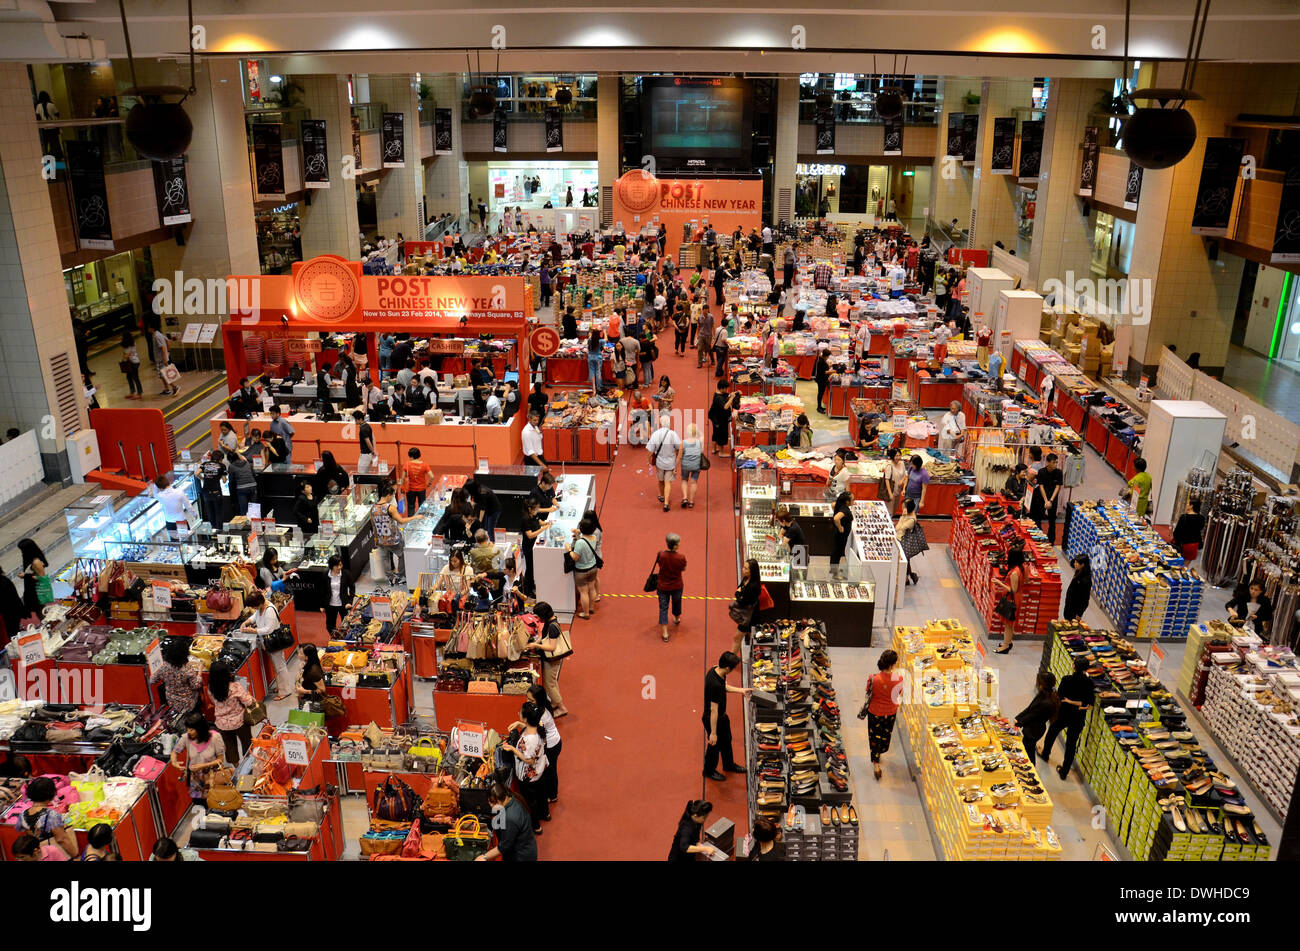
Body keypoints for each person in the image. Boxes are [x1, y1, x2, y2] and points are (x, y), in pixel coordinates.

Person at [1040, 656, 1095, 780]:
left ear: (1074, 666)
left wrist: (1068, 701)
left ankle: (1045, 754)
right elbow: (1089, 704)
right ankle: (1064, 771)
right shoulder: (1089, 683)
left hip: (1063, 713)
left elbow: (1060, 697)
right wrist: (1078, 704)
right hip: (1078, 717)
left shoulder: (1066, 679)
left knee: (1052, 732)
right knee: (1071, 744)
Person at [501, 701, 550, 834]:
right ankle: (545, 814)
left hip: (529, 775)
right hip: (540, 770)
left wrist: (512, 749)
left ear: (527, 718)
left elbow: (529, 760)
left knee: (530, 802)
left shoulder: (529, 740)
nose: (518, 713)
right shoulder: (539, 728)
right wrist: (519, 724)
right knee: (541, 793)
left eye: (520, 713)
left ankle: (536, 826)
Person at [703, 652, 751, 780]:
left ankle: (728, 764)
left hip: (721, 717)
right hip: (713, 718)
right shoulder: (715, 685)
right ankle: (708, 770)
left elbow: (724, 686)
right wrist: (713, 733)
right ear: (728, 668)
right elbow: (714, 710)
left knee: (726, 740)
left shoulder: (715, 669)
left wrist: (741, 690)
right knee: (714, 745)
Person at [857, 649, 904, 780]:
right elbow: (897, 696)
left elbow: (868, 692)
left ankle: (876, 764)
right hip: (890, 713)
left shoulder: (873, 678)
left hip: (875, 712)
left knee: (874, 737)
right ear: (892, 665)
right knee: (885, 735)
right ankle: (881, 751)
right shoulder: (898, 679)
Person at [239, 590, 292, 700]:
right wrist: (246, 622)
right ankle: (280, 687)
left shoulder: (269, 611)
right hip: (268, 642)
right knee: (276, 666)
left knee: (280, 666)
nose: (253, 608)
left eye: (254, 606)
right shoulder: (261, 607)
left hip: (274, 642)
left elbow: (268, 629)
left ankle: (285, 691)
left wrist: (252, 631)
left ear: (258, 603)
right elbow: (255, 616)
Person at [169, 712, 226, 808]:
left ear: (200, 728)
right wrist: (174, 762)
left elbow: (220, 759)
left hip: (213, 779)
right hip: (196, 782)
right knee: (201, 806)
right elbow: (174, 752)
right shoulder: (186, 738)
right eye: (187, 729)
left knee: (216, 805)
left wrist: (202, 766)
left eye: (191, 729)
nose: (189, 732)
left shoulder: (215, 737)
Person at [15, 777, 78, 859]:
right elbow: (62, 839)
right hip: (53, 855)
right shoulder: (51, 815)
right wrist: (75, 854)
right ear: (51, 794)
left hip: (36, 855)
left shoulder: (23, 814)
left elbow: (24, 832)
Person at [208, 660, 256, 764]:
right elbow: (248, 701)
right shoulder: (234, 686)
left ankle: (236, 767)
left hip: (222, 724)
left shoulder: (211, 689)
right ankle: (248, 764)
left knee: (230, 747)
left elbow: (213, 701)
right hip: (239, 721)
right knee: (247, 743)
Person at [476, 782, 538, 861]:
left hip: (521, 856)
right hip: (525, 847)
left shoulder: (510, 818)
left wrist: (484, 857)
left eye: (492, 802)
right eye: (489, 801)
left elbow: (503, 847)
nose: (490, 805)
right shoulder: (512, 797)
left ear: (499, 800)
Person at [372, 480, 413, 587]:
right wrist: (415, 517)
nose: (392, 498)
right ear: (389, 495)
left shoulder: (373, 508)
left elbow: (374, 526)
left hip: (381, 539)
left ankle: (390, 578)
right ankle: (400, 577)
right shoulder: (390, 507)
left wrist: (376, 540)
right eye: (393, 495)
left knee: (385, 558)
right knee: (402, 555)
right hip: (393, 539)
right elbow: (401, 521)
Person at [1015, 672, 1060, 765]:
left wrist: (1019, 723)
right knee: (1027, 748)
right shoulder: (1043, 694)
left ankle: (1031, 769)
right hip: (1033, 727)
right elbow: (1030, 708)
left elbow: (1032, 715)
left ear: (1042, 684)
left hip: (1034, 730)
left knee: (1029, 751)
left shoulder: (1046, 702)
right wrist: (1018, 718)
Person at [152, 636, 202, 715]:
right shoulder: (187, 669)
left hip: (172, 702)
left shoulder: (163, 666)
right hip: (188, 703)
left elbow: (152, 680)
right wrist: (199, 671)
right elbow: (195, 685)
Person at [653, 533, 687, 643]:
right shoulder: (681, 557)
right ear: (676, 546)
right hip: (677, 585)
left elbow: (659, 564)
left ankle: (665, 633)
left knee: (663, 607)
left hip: (663, 585)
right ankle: (677, 618)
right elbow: (684, 568)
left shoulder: (661, 555)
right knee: (677, 602)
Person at [991, 548, 1024, 654]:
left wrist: (999, 583)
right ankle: (1008, 642)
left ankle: (1005, 646)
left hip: (1012, 600)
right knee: (1009, 624)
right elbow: (1025, 581)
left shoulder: (1015, 572)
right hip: (1017, 598)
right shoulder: (1023, 568)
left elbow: (1013, 590)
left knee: (1008, 625)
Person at [646, 413, 682, 512]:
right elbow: (679, 449)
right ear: (669, 424)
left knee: (661, 481)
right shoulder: (673, 434)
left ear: (661, 424)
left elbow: (649, 451)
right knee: (668, 482)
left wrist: (649, 462)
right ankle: (666, 502)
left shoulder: (655, 434)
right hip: (671, 463)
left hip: (659, 463)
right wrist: (677, 462)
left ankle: (661, 495)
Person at [567, 514, 601, 619]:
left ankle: (585, 613)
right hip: (593, 568)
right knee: (592, 588)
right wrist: (578, 537)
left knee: (584, 592)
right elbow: (585, 544)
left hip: (581, 571)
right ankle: (591, 608)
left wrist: (569, 549)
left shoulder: (580, 543)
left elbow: (575, 557)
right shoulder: (594, 537)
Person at [17, 538, 50, 622]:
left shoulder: (36, 562)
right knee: (39, 610)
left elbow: (42, 578)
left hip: (37, 590)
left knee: (40, 610)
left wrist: (26, 576)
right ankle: (48, 624)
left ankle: (49, 624)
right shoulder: (29, 559)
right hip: (31, 588)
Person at [322, 554, 355, 634]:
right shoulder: (325, 574)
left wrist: (349, 602)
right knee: (330, 625)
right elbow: (322, 590)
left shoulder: (346, 574)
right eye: (337, 566)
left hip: (343, 604)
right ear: (332, 566)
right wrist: (322, 605)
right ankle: (335, 638)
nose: (339, 567)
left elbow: (352, 588)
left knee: (346, 624)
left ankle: (344, 638)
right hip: (330, 605)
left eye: (340, 565)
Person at [1035, 452, 1063, 545]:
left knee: (1052, 520)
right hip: (1042, 497)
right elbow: (1041, 486)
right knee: (1038, 518)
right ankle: (1038, 538)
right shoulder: (1041, 472)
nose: (1055, 464)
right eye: (1054, 462)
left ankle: (1051, 540)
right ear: (1048, 462)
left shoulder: (1059, 472)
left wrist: (1051, 500)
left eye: (1056, 462)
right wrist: (1045, 500)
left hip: (1052, 499)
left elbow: (1057, 487)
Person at [465, 477, 503, 541]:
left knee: (490, 530)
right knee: (486, 528)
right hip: (488, 509)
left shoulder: (482, 492)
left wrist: (479, 522)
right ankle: (487, 541)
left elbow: (483, 509)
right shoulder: (477, 489)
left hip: (494, 510)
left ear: (471, 488)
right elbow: (476, 503)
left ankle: (492, 543)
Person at [709, 379, 739, 456]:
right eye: (726, 388)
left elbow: (727, 396)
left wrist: (735, 393)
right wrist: (732, 398)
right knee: (721, 434)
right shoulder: (719, 398)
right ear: (722, 388)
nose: (727, 390)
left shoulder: (719, 393)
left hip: (714, 417)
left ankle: (713, 449)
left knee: (715, 433)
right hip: (719, 419)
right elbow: (725, 407)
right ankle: (721, 452)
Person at [678, 423, 705, 508]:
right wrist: (698, 432)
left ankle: (685, 497)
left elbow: (679, 456)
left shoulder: (683, 442)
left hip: (685, 465)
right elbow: (702, 435)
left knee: (684, 480)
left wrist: (675, 467)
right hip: (696, 465)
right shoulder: (699, 441)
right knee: (693, 482)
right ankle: (691, 501)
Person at [896, 498, 921, 585]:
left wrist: (902, 517)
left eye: (903, 507)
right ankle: (908, 578)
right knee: (906, 560)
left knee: (905, 560)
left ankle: (908, 578)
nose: (902, 508)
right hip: (903, 540)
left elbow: (898, 528)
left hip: (903, 541)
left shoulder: (911, 520)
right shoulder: (910, 515)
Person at [225, 448, 258, 516]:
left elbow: (231, 481)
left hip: (242, 488)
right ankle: (255, 523)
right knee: (254, 508)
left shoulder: (231, 466)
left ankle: (245, 524)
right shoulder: (247, 462)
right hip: (253, 485)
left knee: (244, 509)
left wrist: (232, 496)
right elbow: (254, 475)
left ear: (230, 460)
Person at [1173, 498, 1205, 563]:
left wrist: (1177, 542)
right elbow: (1200, 529)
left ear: (1191, 506)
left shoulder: (1184, 517)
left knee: (1177, 564)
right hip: (1194, 545)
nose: (1186, 505)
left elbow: (1176, 533)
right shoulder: (1201, 518)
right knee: (1186, 565)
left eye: (1188, 503)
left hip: (1184, 545)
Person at [296, 644, 327, 710]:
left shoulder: (313, 671)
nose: (298, 654)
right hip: (306, 700)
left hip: (314, 704)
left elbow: (322, 689)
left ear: (307, 657)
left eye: (301, 653)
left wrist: (304, 691)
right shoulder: (305, 665)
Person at [830, 490, 854, 576]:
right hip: (841, 534)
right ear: (847, 502)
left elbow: (833, 505)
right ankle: (834, 573)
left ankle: (833, 570)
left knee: (836, 551)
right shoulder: (845, 509)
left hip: (838, 533)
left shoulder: (840, 505)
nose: (853, 501)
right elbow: (836, 518)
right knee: (838, 552)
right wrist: (840, 528)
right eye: (852, 500)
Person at [1062, 554, 1092, 622]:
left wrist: (1079, 614)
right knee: (1066, 620)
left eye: (1077, 563)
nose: (1075, 564)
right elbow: (1072, 564)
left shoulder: (1086, 580)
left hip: (1075, 608)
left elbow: (1085, 599)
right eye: (1075, 562)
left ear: (1083, 564)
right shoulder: (1079, 570)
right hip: (1069, 604)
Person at [401, 447, 430, 515]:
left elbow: (402, 478)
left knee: (411, 506)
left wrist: (402, 487)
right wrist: (429, 483)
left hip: (410, 489)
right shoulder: (424, 465)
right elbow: (432, 476)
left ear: (410, 455)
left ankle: (410, 522)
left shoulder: (407, 464)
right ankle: (422, 520)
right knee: (422, 506)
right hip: (421, 489)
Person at [119, 331, 143, 399]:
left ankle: (139, 393)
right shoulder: (132, 342)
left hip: (132, 363)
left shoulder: (128, 345)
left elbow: (127, 355)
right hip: (135, 361)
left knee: (135, 378)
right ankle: (132, 392)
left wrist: (122, 360)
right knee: (129, 377)